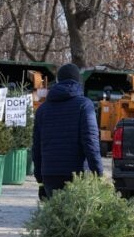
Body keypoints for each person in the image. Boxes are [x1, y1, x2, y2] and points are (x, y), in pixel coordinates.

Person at [32, 63, 103, 197]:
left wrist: (40, 179)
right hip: (78, 176)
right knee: (78, 217)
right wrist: (98, 174)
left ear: (58, 80)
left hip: (50, 175)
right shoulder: (84, 105)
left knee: (55, 217)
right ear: (78, 81)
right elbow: (91, 143)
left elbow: (37, 147)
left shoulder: (42, 109)